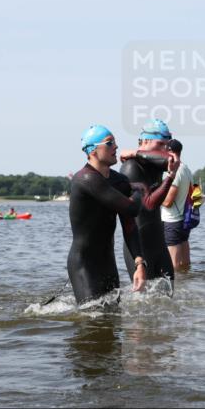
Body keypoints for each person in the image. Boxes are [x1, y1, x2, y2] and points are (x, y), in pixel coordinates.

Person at [67, 125, 149, 305]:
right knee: (92, 318)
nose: (116, 146)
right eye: (109, 143)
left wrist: (139, 263)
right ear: (92, 151)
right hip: (84, 265)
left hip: (108, 264)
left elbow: (129, 225)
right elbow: (132, 208)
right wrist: (139, 190)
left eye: (115, 142)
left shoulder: (120, 181)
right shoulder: (85, 179)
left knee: (113, 317)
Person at [118, 119, 178, 285]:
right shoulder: (131, 167)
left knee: (169, 294)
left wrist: (135, 152)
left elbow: (174, 158)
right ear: (144, 141)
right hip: (140, 246)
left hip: (159, 243)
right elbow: (148, 204)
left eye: (166, 145)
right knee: (143, 299)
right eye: (160, 144)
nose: (164, 149)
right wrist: (170, 178)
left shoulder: (155, 165)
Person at [160, 139, 193, 271]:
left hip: (172, 221)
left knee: (173, 266)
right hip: (185, 220)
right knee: (185, 264)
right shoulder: (186, 169)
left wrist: (153, 195)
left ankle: (177, 284)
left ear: (169, 152)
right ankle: (187, 282)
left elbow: (168, 202)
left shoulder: (176, 171)